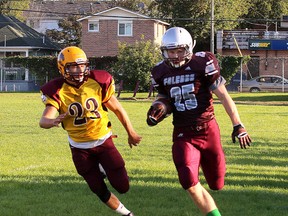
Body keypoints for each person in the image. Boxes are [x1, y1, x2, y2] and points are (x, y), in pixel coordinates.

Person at [146, 27, 252, 216]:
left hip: (208, 129)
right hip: (183, 132)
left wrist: (238, 124)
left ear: (189, 48)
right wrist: (158, 107)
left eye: (180, 50)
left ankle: (205, 161)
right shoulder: (160, 71)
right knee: (188, 179)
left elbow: (223, 95)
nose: (176, 55)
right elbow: (164, 96)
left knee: (216, 184)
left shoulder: (203, 63)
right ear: (164, 50)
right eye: (172, 51)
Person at [39, 46, 141, 216]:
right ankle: (127, 214)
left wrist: (131, 133)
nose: (79, 70)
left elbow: (118, 109)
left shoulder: (99, 81)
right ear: (62, 68)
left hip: (103, 141)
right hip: (79, 147)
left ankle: (102, 166)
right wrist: (51, 121)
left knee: (123, 186)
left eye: (82, 65)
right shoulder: (57, 89)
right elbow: (43, 120)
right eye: (73, 66)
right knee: (97, 188)